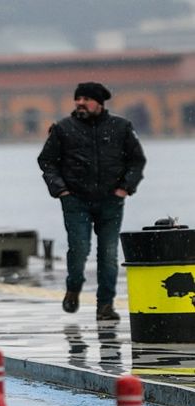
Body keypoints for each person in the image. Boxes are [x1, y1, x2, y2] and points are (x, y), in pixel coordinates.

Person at [38, 82, 146, 321]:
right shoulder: (64, 129)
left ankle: (105, 305)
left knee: (108, 254)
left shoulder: (121, 127)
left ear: (99, 103)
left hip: (111, 201)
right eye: (78, 99)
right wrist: (61, 191)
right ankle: (73, 287)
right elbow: (47, 161)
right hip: (75, 200)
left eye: (86, 99)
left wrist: (125, 188)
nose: (80, 103)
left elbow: (136, 161)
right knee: (79, 249)